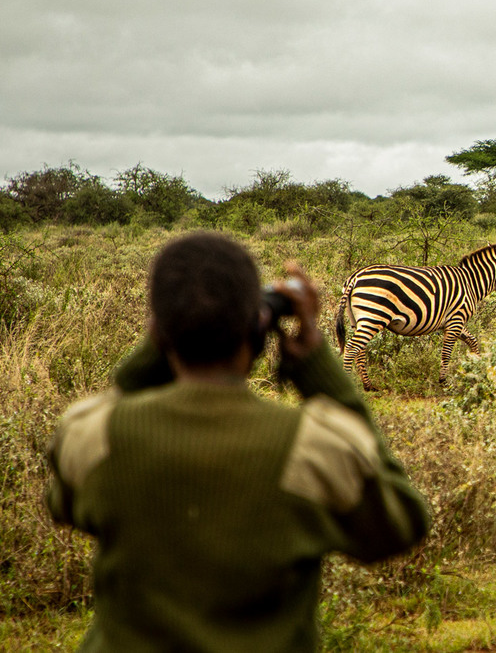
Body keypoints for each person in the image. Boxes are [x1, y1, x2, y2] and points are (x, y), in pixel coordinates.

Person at [46, 231, 430, 651]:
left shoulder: (92, 435)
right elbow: (402, 524)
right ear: (257, 330)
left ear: (157, 330)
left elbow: (62, 505)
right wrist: (325, 373)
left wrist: (157, 346)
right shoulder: (315, 445)